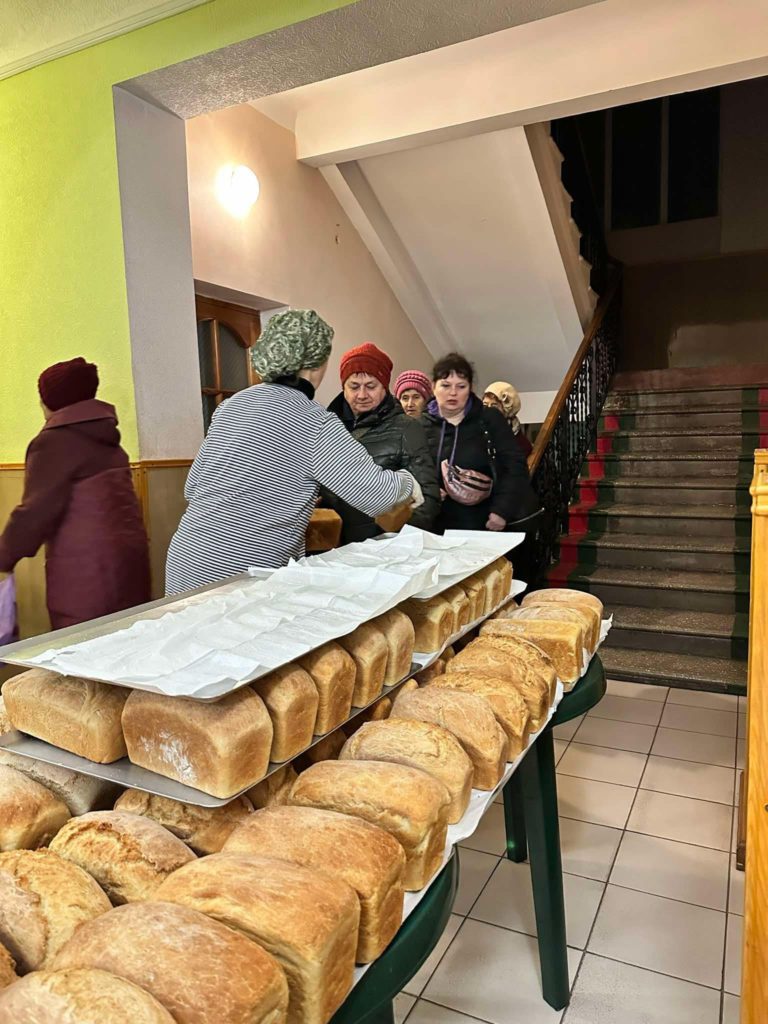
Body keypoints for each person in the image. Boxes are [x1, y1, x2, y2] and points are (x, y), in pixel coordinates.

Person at [165, 311, 423, 594]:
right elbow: (378, 495)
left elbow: (192, 487)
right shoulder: (313, 420)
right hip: (241, 576)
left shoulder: (232, 405)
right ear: (315, 364)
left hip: (186, 561)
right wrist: (408, 483)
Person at [0, 358, 151, 630]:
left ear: (51, 400)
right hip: (128, 566)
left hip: (85, 573)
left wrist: (4, 556)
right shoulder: (108, 438)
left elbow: (35, 512)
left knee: (82, 648)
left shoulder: (54, 442)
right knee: (125, 642)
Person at [324, 344, 439, 543]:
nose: (361, 395)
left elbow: (428, 500)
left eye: (370, 386)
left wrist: (395, 544)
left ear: (384, 387)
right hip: (329, 551)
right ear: (343, 387)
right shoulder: (325, 427)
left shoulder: (407, 428)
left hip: (380, 551)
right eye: (353, 386)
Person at [423, 353, 537, 533]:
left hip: (483, 524)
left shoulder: (489, 419)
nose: (453, 393)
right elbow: (411, 469)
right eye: (445, 385)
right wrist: (427, 489)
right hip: (433, 525)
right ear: (433, 387)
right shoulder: (421, 424)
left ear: (470, 388)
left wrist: (502, 510)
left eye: (461, 386)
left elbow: (515, 466)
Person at [483, 381, 533, 458]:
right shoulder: (477, 430)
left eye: (494, 406)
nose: (488, 409)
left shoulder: (520, 443)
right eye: (485, 405)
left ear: (506, 410)